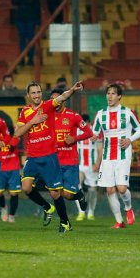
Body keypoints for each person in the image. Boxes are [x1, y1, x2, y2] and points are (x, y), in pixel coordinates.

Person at [11, 80, 84, 232]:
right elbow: (17, 133)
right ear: (28, 95)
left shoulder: (48, 105)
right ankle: (47, 207)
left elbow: (62, 97)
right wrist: (33, 121)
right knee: (26, 188)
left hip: (49, 156)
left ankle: (65, 222)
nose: (37, 95)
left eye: (38, 92)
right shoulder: (25, 112)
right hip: (32, 157)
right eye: (33, 93)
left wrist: (72, 90)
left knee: (55, 193)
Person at [92, 83, 140, 228]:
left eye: (113, 93)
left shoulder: (128, 112)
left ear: (119, 96)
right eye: (108, 93)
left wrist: (130, 139)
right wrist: (93, 137)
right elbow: (95, 133)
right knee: (109, 189)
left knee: (121, 188)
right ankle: (119, 221)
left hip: (123, 154)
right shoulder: (101, 114)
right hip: (108, 155)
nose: (109, 96)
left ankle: (128, 208)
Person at [49, 88, 93, 216]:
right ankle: (64, 221)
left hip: (69, 161)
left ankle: (79, 195)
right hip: (54, 161)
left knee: (68, 195)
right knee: (55, 193)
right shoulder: (46, 117)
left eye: (58, 99)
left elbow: (89, 132)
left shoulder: (73, 116)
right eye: (52, 99)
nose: (55, 102)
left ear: (64, 100)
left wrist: (74, 138)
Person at [76, 114, 103, 221]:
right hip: (80, 165)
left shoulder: (95, 132)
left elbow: (100, 149)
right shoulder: (76, 131)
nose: (83, 125)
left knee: (92, 190)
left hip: (92, 166)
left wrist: (97, 163)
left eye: (85, 123)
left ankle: (91, 211)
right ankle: (81, 211)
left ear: (89, 123)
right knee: (77, 186)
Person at [0, 131, 21, 223]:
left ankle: (12, 215)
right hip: (0, 168)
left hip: (13, 168)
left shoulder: (13, 136)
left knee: (14, 193)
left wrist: (6, 140)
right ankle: (3, 208)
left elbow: (15, 142)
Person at [12, 0, 41, 66]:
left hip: (29, 18)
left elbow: (37, 6)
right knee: (23, 38)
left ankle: (29, 58)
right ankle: (24, 57)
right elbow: (14, 1)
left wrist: (38, 21)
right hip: (22, 17)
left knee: (29, 38)